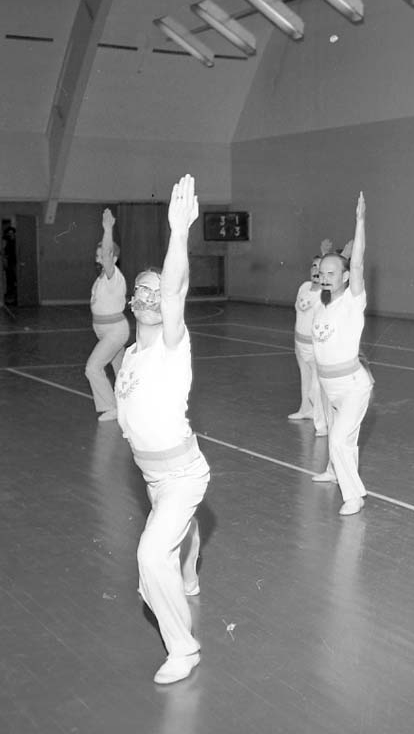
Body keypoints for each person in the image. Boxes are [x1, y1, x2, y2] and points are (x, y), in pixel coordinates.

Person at [114, 174, 210, 683]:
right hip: (152, 479)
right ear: (131, 301)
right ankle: (189, 568)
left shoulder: (173, 344)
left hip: (183, 475)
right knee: (173, 544)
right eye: (142, 290)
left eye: (157, 291)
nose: (152, 297)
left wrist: (179, 232)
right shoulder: (130, 355)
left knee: (151, 558)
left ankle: (184, 649)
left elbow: (175, 289)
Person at [310, 192, 372, 516]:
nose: (325, 277)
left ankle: (354, 496)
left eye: (332, 273)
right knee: (344, 441)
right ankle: (334, 471)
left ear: (346, 278)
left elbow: (357, 263)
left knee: (337, 440)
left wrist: (359, 222)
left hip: (352, 387)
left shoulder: (351, 301)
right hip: (330, 387)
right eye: (322, 272)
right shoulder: (323, 306)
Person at [86, 209, 129, 421]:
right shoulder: (102, 278)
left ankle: (110, 407)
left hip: (114, 331)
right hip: (105, 331)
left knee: (93, 368)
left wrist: (108, 229)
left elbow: (107, 253)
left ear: (113, 257)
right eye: (98, 255)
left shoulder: (114, 276)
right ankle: (130, 401)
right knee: (121, 368)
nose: (99, 257)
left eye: (103, 254)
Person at [288, 247, 329, 437]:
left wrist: (332, 255)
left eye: (320, 268)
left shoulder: (325, 294)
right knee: (305, 379)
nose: (315, 270)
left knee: (316, 387)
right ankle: (305, 410)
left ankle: (322, 424)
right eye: (313, 266)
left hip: (314, 346)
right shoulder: (304, 287)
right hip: (300, 342)